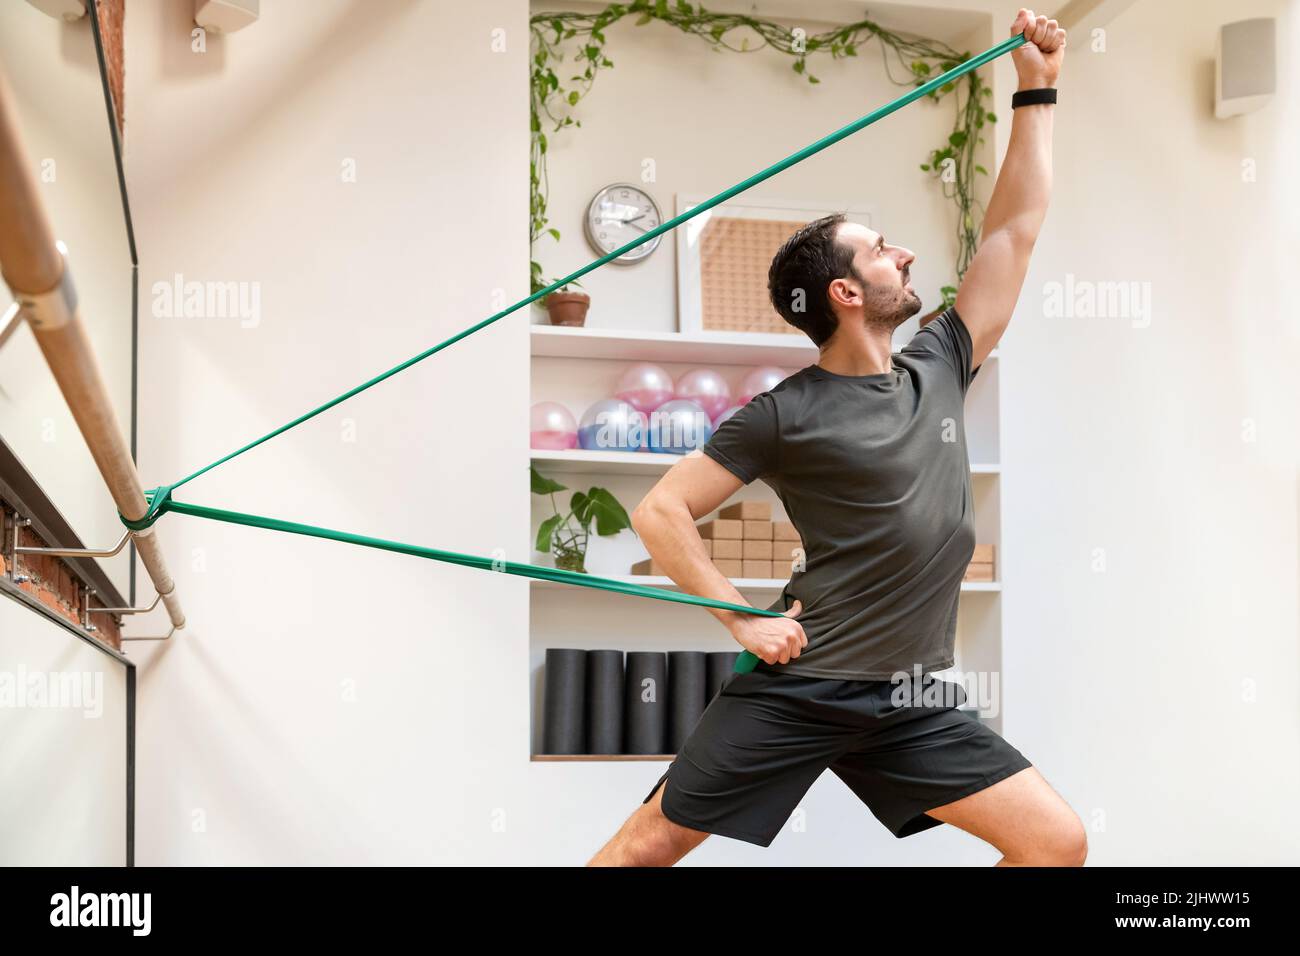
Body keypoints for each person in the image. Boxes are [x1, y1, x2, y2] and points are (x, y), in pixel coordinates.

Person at [589, 9, 1084, 866]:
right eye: (880, 250)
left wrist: (1036, 88)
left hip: (914, 695)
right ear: (845, 294)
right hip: (803, 686)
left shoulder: (941, 361)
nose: (902, 255)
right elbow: (663, 511)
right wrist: (741, 623)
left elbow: (1012, 232)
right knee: (642, 850)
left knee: (1056, 844)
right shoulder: (784, 412)